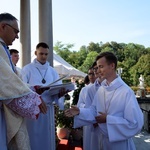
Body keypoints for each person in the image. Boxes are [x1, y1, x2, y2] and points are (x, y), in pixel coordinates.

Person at [65, 52, 143, 150]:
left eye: (101, 66)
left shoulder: (126, 91)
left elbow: (135, 123)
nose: (98, 71)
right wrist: (80, 111)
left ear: (112, 66)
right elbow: (94, 110)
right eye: (97, 67)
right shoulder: (102, 89)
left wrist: (108, 119)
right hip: (102, 141)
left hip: (119, 144)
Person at [0, 13, 45, 150]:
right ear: (3, 26)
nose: (17, 36)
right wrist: (33, 98)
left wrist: (32, 88)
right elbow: (6, 81)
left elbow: (13, 77)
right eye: (15, 31)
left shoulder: (3, 49)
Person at [21, 42, 66, 150]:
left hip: (48, 110)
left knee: (47, 139)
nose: (44, 56)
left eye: (46, 54)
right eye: (41, 54)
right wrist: (36, 91)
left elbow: (58, 88)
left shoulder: (52, 71)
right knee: (34, 138)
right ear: (36, 53)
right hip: (33, 110)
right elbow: (22, 88)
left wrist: (60, 93)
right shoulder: (27, 69)